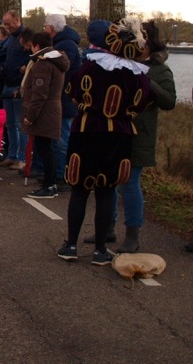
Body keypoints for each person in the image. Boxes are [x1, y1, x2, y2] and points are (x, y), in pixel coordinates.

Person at [57, 18, 152, 266]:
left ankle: (70, 245)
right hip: (119, 135)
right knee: (106, 190)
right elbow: (141, 105)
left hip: (87, 130)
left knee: (80, 189)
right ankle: (100, 249)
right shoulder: (139, 74)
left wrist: (88, 107)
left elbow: (73, 92)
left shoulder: (91, 66)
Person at [92, 20, 175, 253]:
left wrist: (146, 82)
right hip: (116, 130)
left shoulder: (159, 69)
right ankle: (108, 228)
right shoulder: (122, 63)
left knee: (129, 183)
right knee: (109, 180)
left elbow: (169, 101)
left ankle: (132, 235)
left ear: (147, 42)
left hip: (140, 134)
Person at [20, 31, 70, 198]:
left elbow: (39, 93)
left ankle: (49, 185)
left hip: (44, 112)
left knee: (45, 149)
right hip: (52, 109)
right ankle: (51, 183)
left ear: (36, 45)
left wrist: (30, 116)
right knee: (47, 148)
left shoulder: (43, 64)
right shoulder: (55, 61)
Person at [43, 13, 82, 189]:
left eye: (45, 26)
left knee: (63, 139)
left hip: (65, 97)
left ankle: (65, 175)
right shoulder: (61, 43)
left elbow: (63, 69)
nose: (44, 29)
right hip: (61, 96)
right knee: (58, 137)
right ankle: (58, 173)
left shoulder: (66, 45)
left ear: (51, 28)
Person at [0, 11, 32, 171]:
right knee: (10, 123)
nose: (6, 27)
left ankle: (22, 158)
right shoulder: (11, 38)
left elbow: (34, 55)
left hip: (18, 85)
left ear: (17, 20)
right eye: (4, 24)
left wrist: (26, 67)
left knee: (19, 123)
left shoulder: (26, 37)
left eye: (8, 23)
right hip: (8, 82)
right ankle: (12, 155)